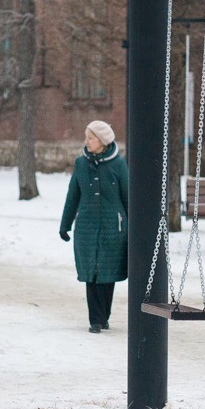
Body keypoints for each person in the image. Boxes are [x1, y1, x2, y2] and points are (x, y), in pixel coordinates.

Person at [59, 120, 129, 333]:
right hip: (87, 228)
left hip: (112, 229)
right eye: (86, 137)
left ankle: (104, 316)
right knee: (91, 273)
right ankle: (95, 320)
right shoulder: (81, 164)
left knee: (107, 274)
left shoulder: (118, 165)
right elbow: (73, 195)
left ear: (102, 141)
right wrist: (65, 225)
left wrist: (134, 230)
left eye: (90, 137)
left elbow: (128, 197)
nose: (86, 141)